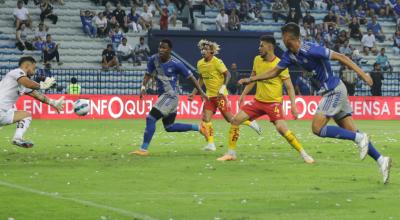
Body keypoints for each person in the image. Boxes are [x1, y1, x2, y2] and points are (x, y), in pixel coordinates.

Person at [239, 23, 391, 184]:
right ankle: (382, 160)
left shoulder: (311, 49)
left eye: (283, 37)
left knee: (317, 128)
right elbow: (274, 72)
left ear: (290, 38)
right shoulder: (290, 55)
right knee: (352, 132)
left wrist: (363, 75)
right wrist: (251, 79)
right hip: (332, 92)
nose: (281, 41)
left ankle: (361, 138)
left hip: (334, 91)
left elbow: (342, 57)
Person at [218, 35, 314, 163]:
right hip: (258, 102)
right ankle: (231, 153)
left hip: (273, 104)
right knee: (235, 121)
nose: (259, 48)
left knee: (281, 129)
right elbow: (253, 79)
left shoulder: (280, 64)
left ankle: (304, 154)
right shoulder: (257, 59)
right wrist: (243, 95)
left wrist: (294, 106)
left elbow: (290, 87)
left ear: (270, 47)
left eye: (261, 45)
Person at [129, 39, 209, 156]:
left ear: (170, 50)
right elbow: (148, 74)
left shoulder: (177, 64)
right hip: (164, 96)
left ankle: (143, 149)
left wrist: (201, 92)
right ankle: (199, 128)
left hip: (170, 96)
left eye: (164, 48)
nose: (161, 50)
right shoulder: (153, 59)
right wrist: (143, 87)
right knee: (169, 126)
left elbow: (191, 78)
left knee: (151, 118)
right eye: (160, 47)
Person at [189, 39, 261, 151]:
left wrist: (223, 87)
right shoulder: (200, 63)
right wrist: (194, 93)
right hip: (209, 96)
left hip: (220, 96)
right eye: (202, 49)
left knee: (231, 120)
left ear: (211, 51)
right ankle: (211, 144)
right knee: (205, 119)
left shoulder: (217, 62)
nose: (203, 51)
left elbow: (228, 75)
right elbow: (201, 79)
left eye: (206, 49)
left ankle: (250, 122)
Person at [0, 56, 63, 148]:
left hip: (2, 113)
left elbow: (38, 95)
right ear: (27, 65)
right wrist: (42, 85)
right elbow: (27, 83)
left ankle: (18, 138)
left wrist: (54, 103)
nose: (34, 71)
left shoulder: (23, 83)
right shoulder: (17, 72)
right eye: (34, 68)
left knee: (26, 115)